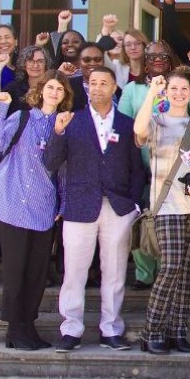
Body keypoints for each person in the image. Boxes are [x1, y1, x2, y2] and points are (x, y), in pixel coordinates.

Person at [45, 65, 146, 353]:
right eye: (93, 83)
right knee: (74, 272)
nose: (98, 87)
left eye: (105, 83)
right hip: (79, 206)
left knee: (114, 272)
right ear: (86, 88)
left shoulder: (127, 125)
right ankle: (71, 328)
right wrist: (58, 133)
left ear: (115, 88)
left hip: (117, 207)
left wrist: (134, 204)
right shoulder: (71, 121)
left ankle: (111, 329)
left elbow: (137, 168)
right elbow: (51, 163)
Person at [133, 69, 190, 355]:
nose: (179, 93)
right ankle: (151, 330)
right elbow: (138, 131)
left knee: (186, 270)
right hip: (166, 206)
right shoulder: (156, 121)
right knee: (169, 267)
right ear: (167, 91)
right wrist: (151, 95)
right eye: (174, 88)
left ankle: (178, 331)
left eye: (184, 88)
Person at [0, 73, 71, 350]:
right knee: (16, 269)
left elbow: (59, 166)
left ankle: (27, 326)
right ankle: (14, 328)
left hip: (44, 205)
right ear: (40, 90)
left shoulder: (64, 124)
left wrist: (62, 203)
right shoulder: (23, 118)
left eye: (59, 88)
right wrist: (0, 107)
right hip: (13, 201)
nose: (54, 92)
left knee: (36, 271)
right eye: (50, 87)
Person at [118, 40, 190, 121]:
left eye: (163, 56)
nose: (158, 59)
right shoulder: (131, 88)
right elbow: (123, 122)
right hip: (142, 139)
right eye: (152, 57)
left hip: (176, 139)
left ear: (170, 61)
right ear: (145, 63)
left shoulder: (180, 85)